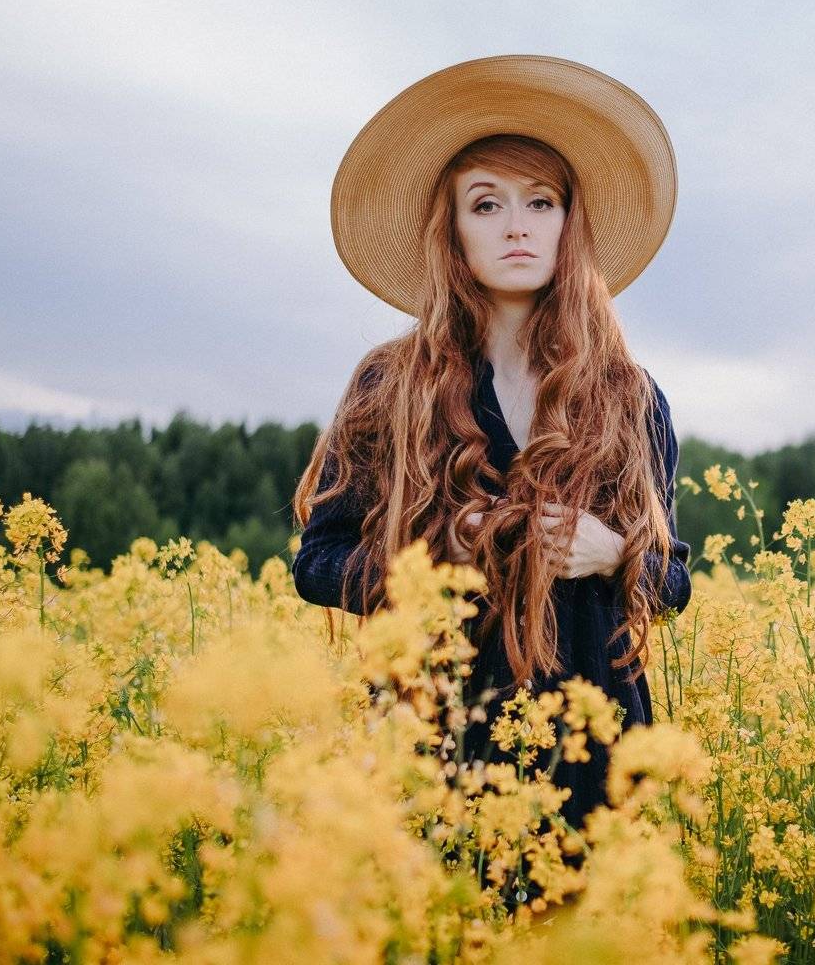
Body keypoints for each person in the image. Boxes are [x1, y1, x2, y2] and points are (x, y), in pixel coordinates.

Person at [289, 55, 693, 834]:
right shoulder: (389, 385)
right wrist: (432, 561)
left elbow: (672, 578)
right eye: (486, 204)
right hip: (436, 749)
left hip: (594, 761)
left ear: (569, 224)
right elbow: (317, 564)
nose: (516, 226)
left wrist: (614, 554)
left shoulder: (628, 395)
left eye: (540, 202)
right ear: (453, 230)